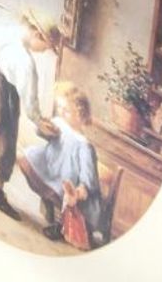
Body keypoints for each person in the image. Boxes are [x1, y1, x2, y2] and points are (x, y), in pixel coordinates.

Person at [0, 8, 60, 219]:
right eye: (46, 47)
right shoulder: (25, 61)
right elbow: (30, 97)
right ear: (37, 35)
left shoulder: (3, 32)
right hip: (2, 90)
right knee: (5, 136)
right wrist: (37, 119)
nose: (44, 51)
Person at [18, 83, 101, 247]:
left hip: (70, 187)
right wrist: (44, 129)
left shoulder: (84, 145)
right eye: (60, 108)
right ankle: (50, 204)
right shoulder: (60, 125)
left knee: (66, 195)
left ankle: (62, 224)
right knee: (26, 158)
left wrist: (77, 193)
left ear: (80, 115)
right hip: (51, 170)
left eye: (67, 110)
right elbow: (43, 133)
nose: (61, 113)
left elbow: (88, 182)